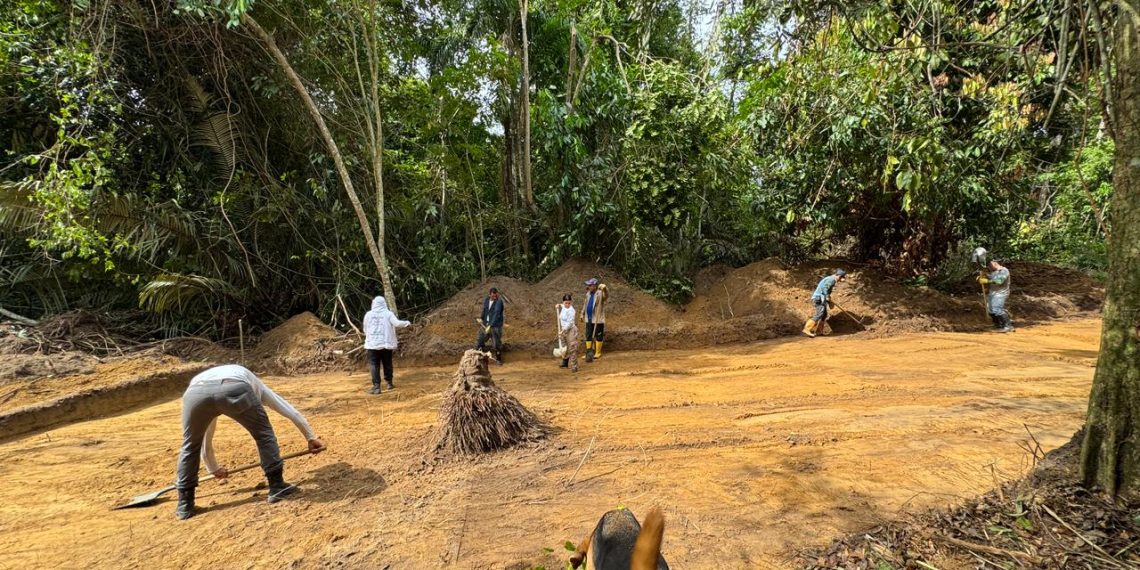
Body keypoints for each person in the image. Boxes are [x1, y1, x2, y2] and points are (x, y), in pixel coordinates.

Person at [174, 364, 326, 520]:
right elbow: (286, 408)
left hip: (194, 393)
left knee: (190, 445)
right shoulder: (256, 384)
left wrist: (212, 467)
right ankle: (277, 486)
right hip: (234, 387)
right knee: (263, 435)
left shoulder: (208, 377)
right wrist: (310, 437)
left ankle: (185, 504)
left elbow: (206, 432)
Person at [363, 296, 411, 394]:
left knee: (374, 364)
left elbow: (365, 328)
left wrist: (370, 337)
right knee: (387, 363)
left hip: (372, 344)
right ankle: (389, 383)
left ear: (374, 303)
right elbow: (397, 323)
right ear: (384, 303)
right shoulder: (388, 313)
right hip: (386, 343)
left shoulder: (368, 315)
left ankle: (376, 387)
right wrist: (407, 323)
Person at [802, 269, 846, 338]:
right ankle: (807, 329)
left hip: (821, 298)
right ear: (839, 276)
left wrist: (828, 299)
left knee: (824, 315)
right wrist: (827, 296)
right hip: (818, 298)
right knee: (820, 313)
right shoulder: (831, 280)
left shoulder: (831, 279)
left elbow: (826, 290)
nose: (840, 280)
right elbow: (825, 288)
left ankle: (819, 331)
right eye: (841, 278)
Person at [979, 259, 1013, 332]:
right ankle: (997, 325)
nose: (989, 267)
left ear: (994, 263)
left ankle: (1008, 326)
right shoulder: (994, 272)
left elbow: (999, 281)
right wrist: (985, 276)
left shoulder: (1004, 271)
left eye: (989, 265)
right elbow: (992, 278)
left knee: (997, 309)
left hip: (1001, 293)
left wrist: (987, 281)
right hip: (993, 293)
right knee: (990, 310)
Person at [475, 287, 505, 363]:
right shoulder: (487, 300)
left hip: (495, 326)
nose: (494, 297)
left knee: (496, 343)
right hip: (486, 324)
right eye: (493, 296)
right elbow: (484, 310)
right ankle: (479, 358)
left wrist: (491, 325)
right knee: (480, 339)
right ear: (489, 295)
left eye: (496, 296)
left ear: (497, 294)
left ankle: (498, 359)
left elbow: (496, 314)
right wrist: (481, 318)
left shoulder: (499, 302)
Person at [582, 278, 609, 362]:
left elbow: (606, 296)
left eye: (591, 285)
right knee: (588, 335)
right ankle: (589, 351)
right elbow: (585, 304)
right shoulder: (588, 294)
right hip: (589, 318)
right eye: (589, 285)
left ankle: (597, 352)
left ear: (595, 286)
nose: (589, 287)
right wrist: (582, 313)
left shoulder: (600, 293)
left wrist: (605, 289)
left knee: (598, 335)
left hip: (598, 318)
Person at [557, 293, 579, 372]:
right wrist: (558, 305)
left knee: (572, 347)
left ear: (571, 302)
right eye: (565, 303)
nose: (567, 305)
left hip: (570, 330)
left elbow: (570, 323)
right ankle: (565, 362)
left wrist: (563, 331)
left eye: (569, 303)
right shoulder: (564, 306)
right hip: (563, 330)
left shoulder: (572, 310)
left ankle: (574, 365)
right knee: (564, 347)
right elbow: (562, 306)